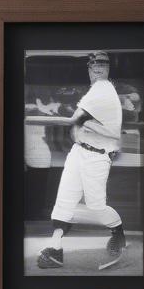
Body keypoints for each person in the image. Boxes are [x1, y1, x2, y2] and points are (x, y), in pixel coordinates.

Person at [36, 51, 127, 270]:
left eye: (103, 63)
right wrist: (80, 121)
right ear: (88, 68)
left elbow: (80, 120)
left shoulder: (103, 87)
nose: (98, 67)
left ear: (108, 68)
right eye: (94, 63)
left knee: (96, 206)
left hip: (97, 156)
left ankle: (118, 231)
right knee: (63, 202)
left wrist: (84, 122)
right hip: (78, 152)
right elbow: (77, 120)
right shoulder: (95, 89)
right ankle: (55, 250)